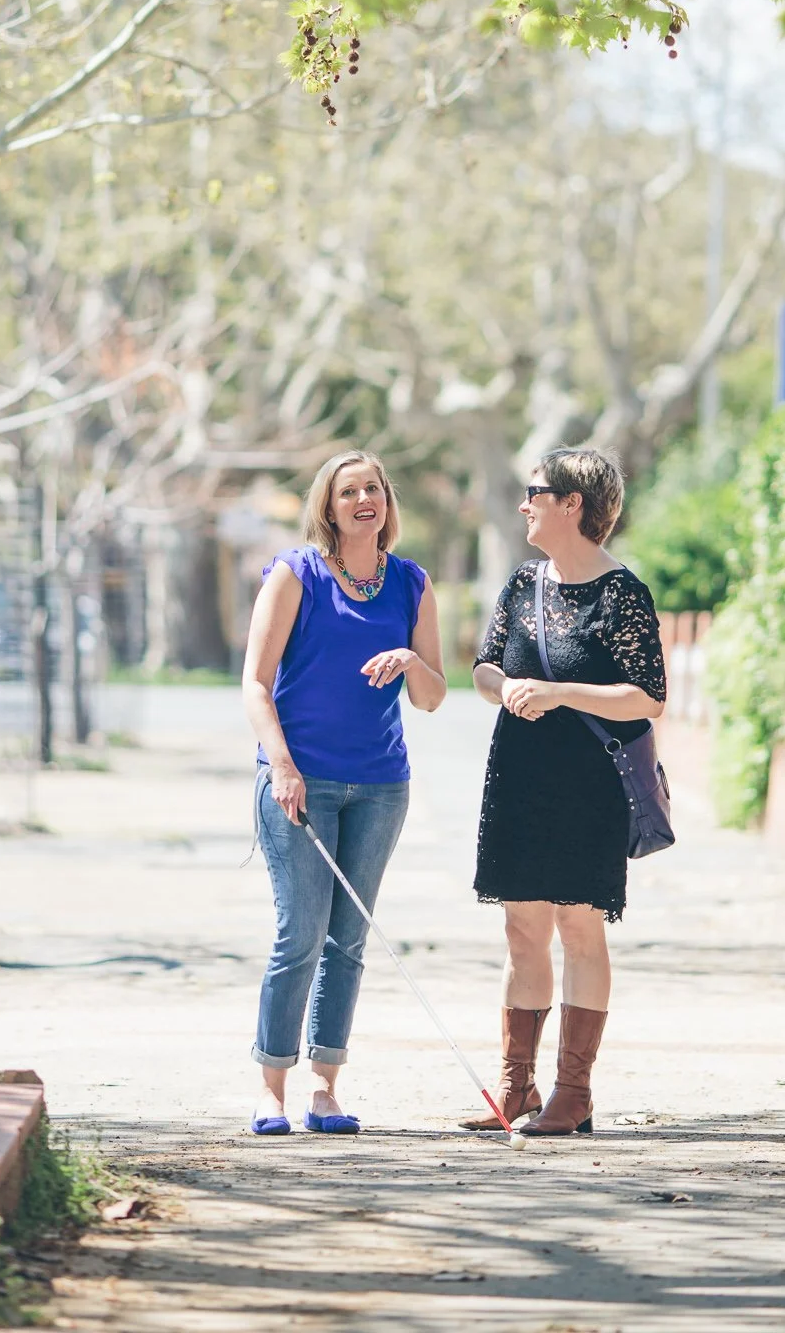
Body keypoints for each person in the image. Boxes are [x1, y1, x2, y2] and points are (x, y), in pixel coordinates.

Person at [461, 445, 666, 1137]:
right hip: (519, 773)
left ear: (572, 504)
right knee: (522, 927)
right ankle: (515, 1085)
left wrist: (558, 692)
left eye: (536, 493)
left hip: (589, 782)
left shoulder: (622, 593)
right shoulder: (523, 583)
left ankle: (572, 1092)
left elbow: (647, 698)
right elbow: (485, 667)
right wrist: (506, 689)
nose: (525, 504)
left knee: (578, 926)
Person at [243, 448, 445, 1135]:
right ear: (327, 506)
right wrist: (281, 765)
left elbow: (431, 699)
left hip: (381, 786)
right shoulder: (295, 573)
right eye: (349, 491)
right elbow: (255, 683)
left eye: (374, 489)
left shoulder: (411, 584)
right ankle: (270, 1089)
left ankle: (325, 1090)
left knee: (348, 940)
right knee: (299, 935)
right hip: (300, 782)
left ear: (388, 502)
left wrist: (412, 660)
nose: (364, 500)